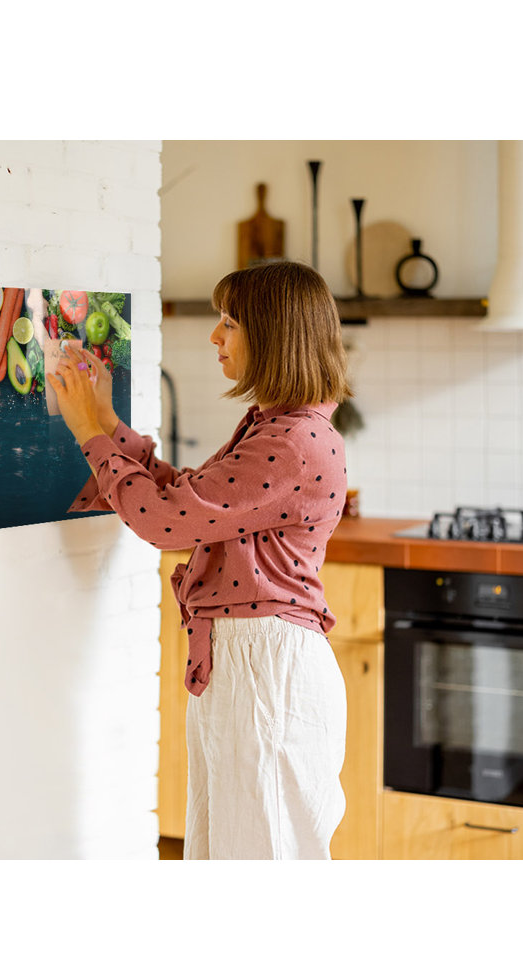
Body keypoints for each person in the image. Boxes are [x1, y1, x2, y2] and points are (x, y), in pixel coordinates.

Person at [48, 260, 351, 860]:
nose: (216, 336)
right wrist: (108, 424)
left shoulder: (290, 442)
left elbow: (166, 522)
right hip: (250, 663)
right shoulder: (277, 428)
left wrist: (90, 434)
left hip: (265, 669)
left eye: (230, 322)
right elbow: (189, 497)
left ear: (274, 335)